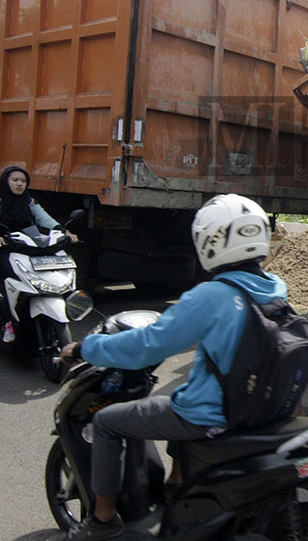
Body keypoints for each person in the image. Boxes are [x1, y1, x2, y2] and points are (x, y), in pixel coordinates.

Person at [57, 194, 286, 541]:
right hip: (258, 407)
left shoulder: (210, 296)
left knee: (106, 422)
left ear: (210, 241)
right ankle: (176, 486)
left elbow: (147, 345)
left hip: (213, 416)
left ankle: (102, 521)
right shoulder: (274, 287)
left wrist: (86, 348)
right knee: (183, 393)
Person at [0, 165, 77, 339]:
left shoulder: (29, 203)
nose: (19, 184)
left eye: (23, 181)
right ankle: (8, 320)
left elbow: (45, 219)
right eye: (15, 180)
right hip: (4, 249)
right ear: (5, 182)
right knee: (12, 279)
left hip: (29, 247)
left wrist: (64, 232)